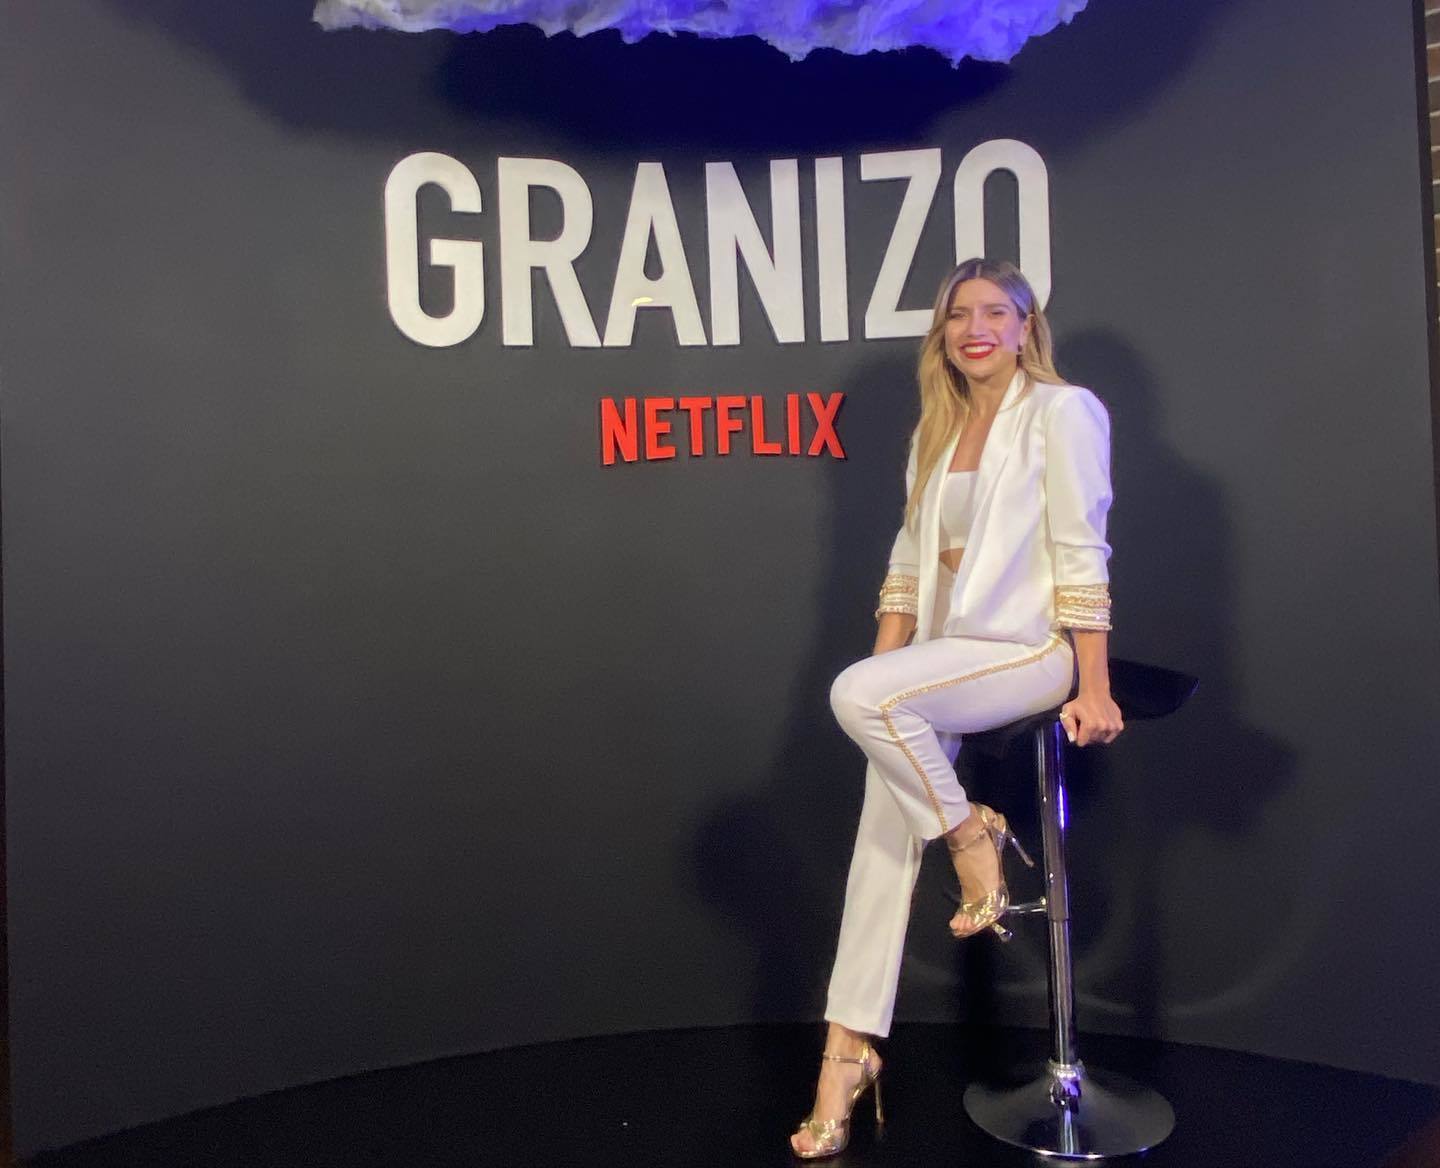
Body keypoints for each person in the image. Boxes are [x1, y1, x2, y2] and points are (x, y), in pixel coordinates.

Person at [790, 258, 1124, 1160]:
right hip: (945, 655)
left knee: (855, 694)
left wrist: (1092, 684)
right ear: (941, 335)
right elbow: (906, 567)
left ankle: (974, 839)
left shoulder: (1062, 412)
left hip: (1029, 651)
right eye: (957, 315)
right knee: (880, 823)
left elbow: (1081, 551)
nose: (975, 329)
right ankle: (846, 1056)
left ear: (1025, 327)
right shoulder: (936, 430)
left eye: (994, 313)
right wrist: (889, 668)